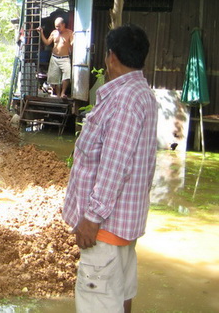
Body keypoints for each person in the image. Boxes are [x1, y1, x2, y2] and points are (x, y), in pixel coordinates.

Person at [63, 24, 158, 313]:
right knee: (120, 297)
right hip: (123, 226)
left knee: (99, 303)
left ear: (111, 57)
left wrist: (92, 218)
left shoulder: (124, 100)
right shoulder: (141, 93)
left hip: (105, 228)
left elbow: (114, 166)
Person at [37, 16, 74, 98]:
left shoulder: (69, 33)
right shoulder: (54, 32)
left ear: (63, 24)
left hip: (65, 58)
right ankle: (57, 95)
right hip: (54, 57)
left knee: (67, 75)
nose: (57, 28)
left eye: (59, 26)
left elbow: (72, 43)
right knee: (55, 77)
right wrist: (41, 33)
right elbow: (47, 42)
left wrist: (75, 38)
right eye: (56, 26)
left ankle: (63, 93)